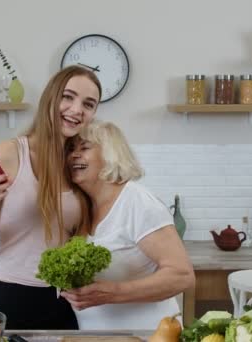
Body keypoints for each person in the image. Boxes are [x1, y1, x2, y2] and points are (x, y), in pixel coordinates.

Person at [0, 65, 101, 329]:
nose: (77, 109)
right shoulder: (6, 155)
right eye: (68, 97)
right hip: (10, 300)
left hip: (63, 304)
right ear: (51, 97)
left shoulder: (79, 162)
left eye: (88, 104)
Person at [61, 120, 195, 330]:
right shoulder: (82, 208)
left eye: (84, 148)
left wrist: (113, 293)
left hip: (149, 335)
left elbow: (182, 276)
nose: (74, 155)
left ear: (110, 154)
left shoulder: (136, 201)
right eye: (70, 150)